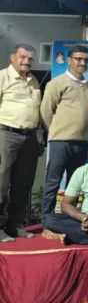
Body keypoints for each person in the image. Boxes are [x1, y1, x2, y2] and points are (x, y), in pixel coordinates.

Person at [41, 45, 88, 225]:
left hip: (81, 142)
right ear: (69, 60)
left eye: (86, 60)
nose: (82, 62)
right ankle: (47, 221)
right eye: (78, 59)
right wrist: (57, 131)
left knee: (75, 185)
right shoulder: (56, 83)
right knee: (53, 183)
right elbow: (46, 112)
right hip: (60, 142)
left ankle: (70, 221)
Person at [0, 44, 42, 242]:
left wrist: (39, 137)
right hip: (6, 135)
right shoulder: (2, 77)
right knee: (1, 183)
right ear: (12, 57)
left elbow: (37, 111)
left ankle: (15, 225)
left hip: (30, 137)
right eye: (23, 57)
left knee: (23, 184)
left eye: (30, 59)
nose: (27, 61)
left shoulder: (34, 81)